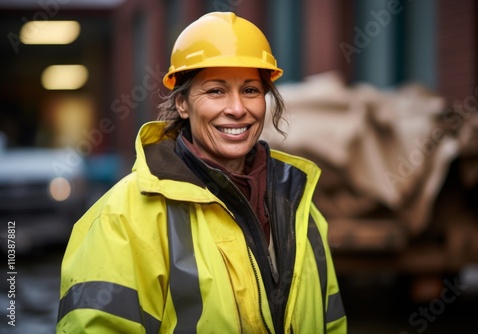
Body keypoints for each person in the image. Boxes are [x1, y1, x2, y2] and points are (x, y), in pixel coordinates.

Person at [56, 11, 347, 333]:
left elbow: (330, 322)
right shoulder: (122, 217)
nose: (237, 109)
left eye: (250, 90)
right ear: (182, 104)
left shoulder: (299, 206)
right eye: (216, 91)